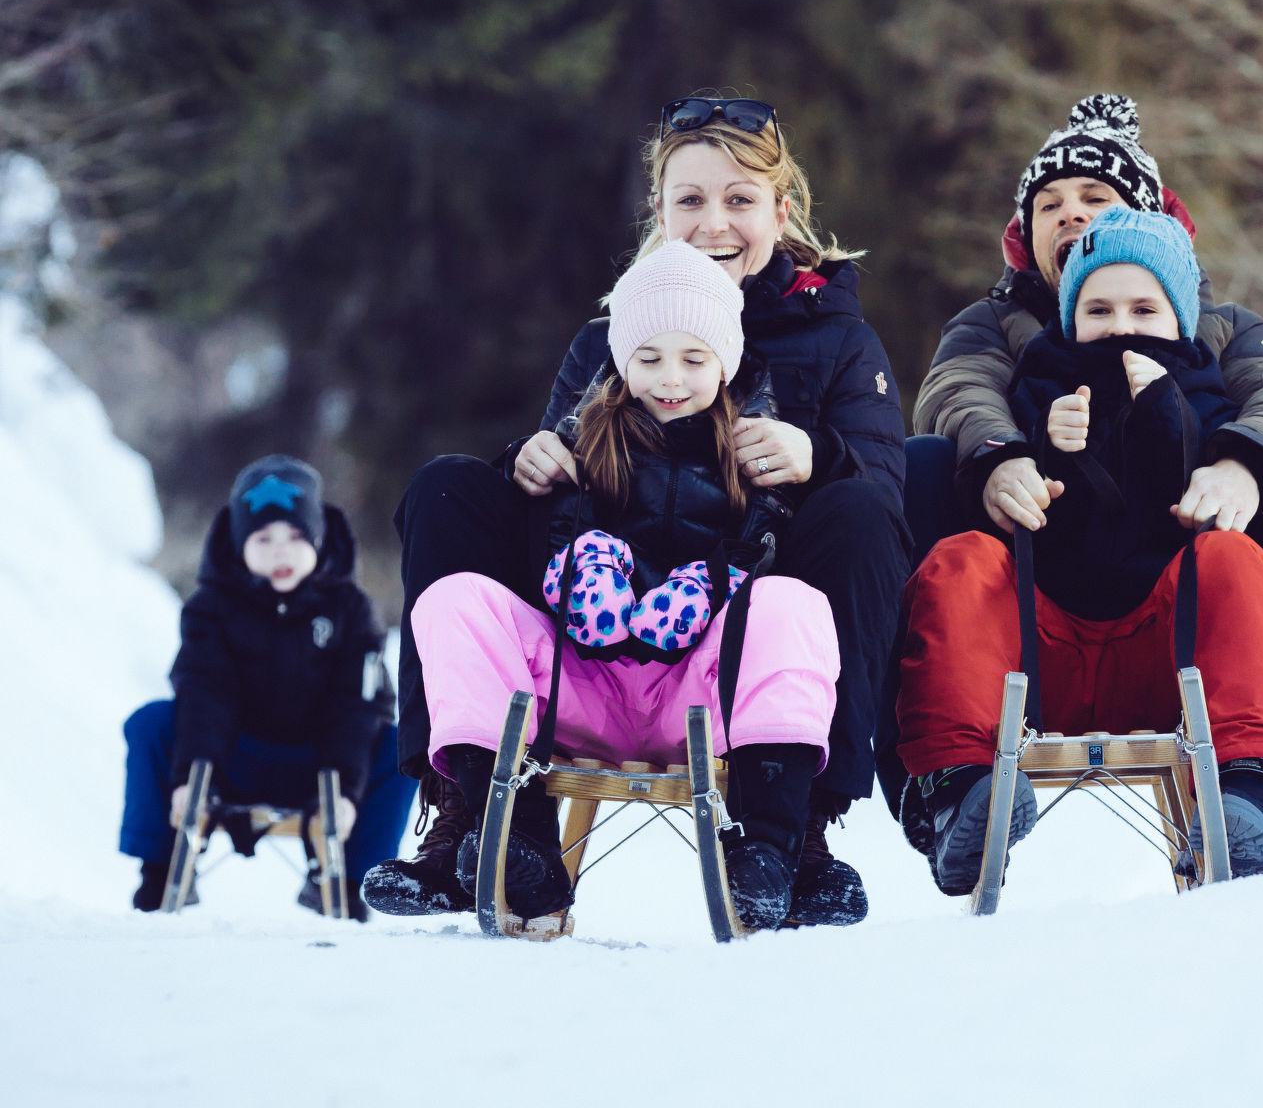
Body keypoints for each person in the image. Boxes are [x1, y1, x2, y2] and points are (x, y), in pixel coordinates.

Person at [367, 97, 908, 925]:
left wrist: (820, 456)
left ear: (781, 211)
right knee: (447, 486)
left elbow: (889, 485)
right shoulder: (609, 338)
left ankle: (796, 830)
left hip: (743, 622)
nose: (714, 222)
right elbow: (562, 481)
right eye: (690, 199)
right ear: (659, 212)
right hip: (594, 625)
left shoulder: (835, 339)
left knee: (864, 515)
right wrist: (528, 461)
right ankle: (474, 815)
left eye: (739, 200)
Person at [910, 93, 1263, 861]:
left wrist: (1241, 466)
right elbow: (956, 392)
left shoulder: (1216, 326)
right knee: (924, 467)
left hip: (1177, 599)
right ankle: (944, 781)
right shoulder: (997, 328)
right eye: (1049, 204)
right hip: (1038, 594)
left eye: (1096, 198)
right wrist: (1005, 455)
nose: (1071, 215)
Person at [410, 239, 841, 929]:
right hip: (584, 685)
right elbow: (543, 544)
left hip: (698, 693)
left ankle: (766, 850)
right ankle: (521, 841)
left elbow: (768, 547)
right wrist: (583, 561)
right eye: (649, 358)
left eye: (694, 359)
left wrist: (715, 579)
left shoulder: (754, 444)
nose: (670, 378)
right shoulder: (585, 435)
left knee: (793, 607)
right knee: (455, 600)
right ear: (619, 359)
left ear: (726, 363)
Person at [898, 209, 1263, 888]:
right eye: (1099, 308)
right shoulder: (1041, 371)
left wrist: (1174, 416)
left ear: (1179, 318)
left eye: (1144, 308)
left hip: (1166, 654)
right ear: (1070, 316)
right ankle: (960, 789)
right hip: (1040, 650)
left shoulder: (1204, 381)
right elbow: (1002, 442)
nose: (1121, 325)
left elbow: (1206, 466)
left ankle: (1248, 790)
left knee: (1235, 562)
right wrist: (1036, 446)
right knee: (963, 562)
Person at [121, 455, 408, 920]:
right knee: (151, 722)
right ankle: (161, 867)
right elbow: (203, 692)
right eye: (263, 538)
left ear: (317, 537)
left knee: (397, 746)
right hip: (235, 758)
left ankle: (349, 880)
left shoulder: (350, 611)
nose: (281, 551)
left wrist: (346, 791)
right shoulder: (211, 608)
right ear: (238, 545)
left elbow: (359, 704)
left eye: (295, 537)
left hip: (320, 765)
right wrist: (187, 777)